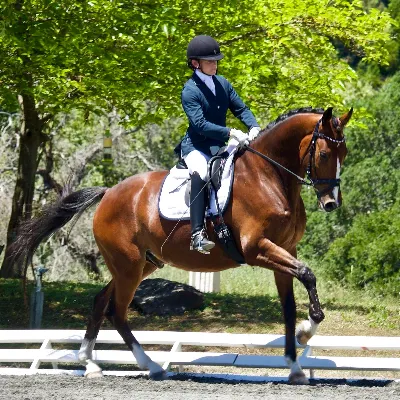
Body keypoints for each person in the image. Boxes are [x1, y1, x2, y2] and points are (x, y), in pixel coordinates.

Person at [177, 35, 261, 254]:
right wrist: (231, 132)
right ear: (196, 63)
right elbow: (201, 125)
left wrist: (254, 127)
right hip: (197, 146)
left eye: (216, 61)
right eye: (210, 61)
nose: (215, 65)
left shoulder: (223, 83)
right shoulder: (190, 91)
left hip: (218, 146)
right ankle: (197, 235)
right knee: (202, 174)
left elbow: (240, 109)